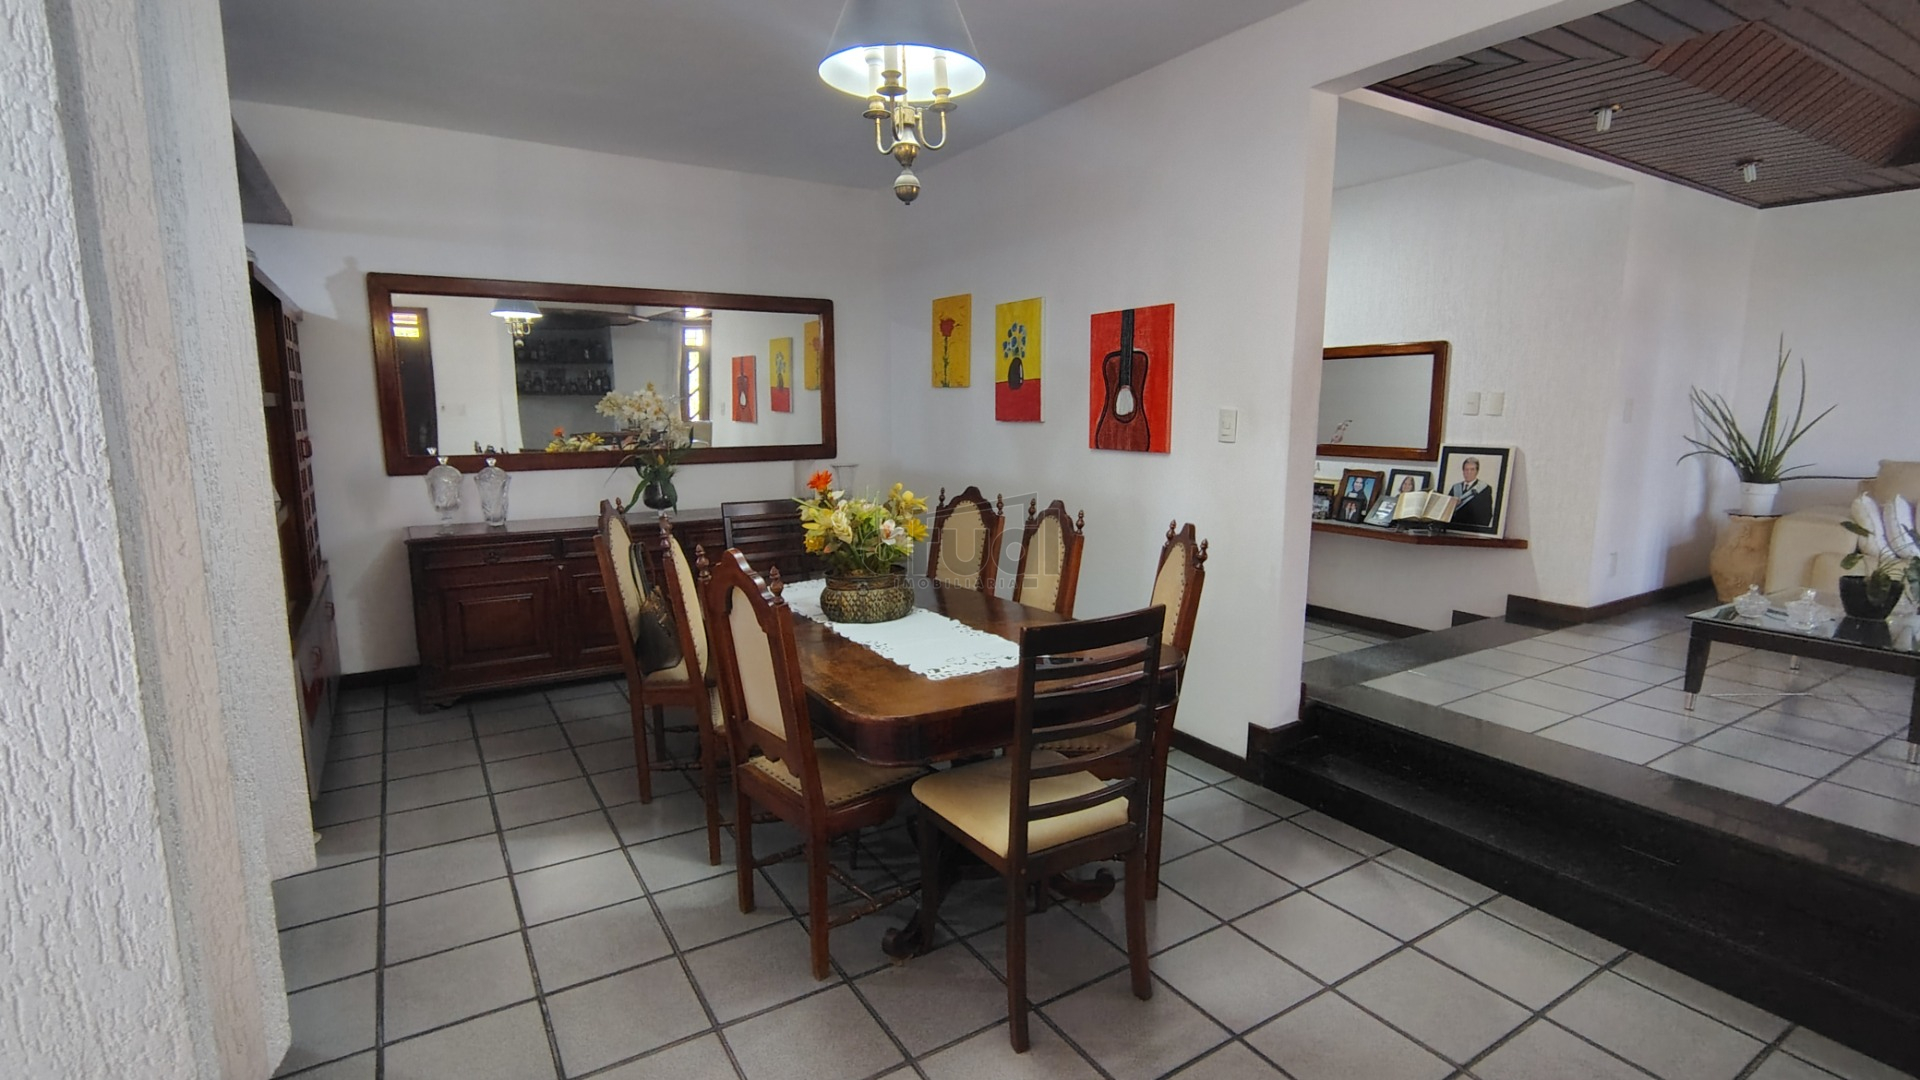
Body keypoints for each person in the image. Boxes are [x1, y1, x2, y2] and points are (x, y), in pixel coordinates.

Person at [1447, 457, 1495, 528]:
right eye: (1466, 469)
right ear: (1463, 471)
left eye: (1472, 470)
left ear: (1477, 471)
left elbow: (1487, 514)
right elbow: (1447, 509)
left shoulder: (1485, 489)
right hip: (1454, 527)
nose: (1469, 472)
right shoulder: (1455, 487)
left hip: (1472, 528)